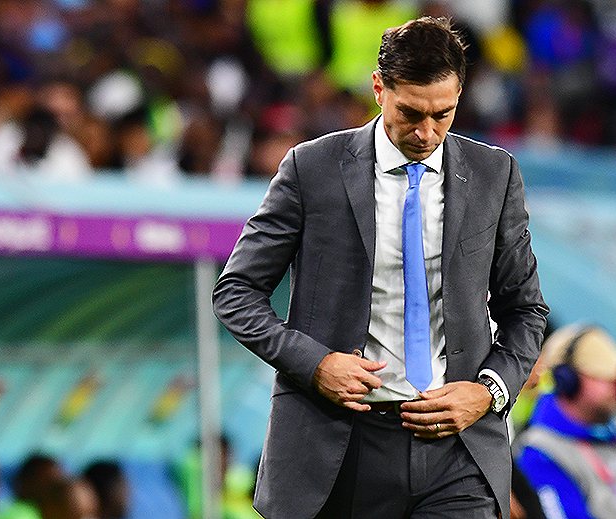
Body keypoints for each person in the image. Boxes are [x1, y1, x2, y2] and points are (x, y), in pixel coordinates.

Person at [212, 16, 549, 519]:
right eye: (410, 112)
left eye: (443, 114)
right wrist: (315, 364)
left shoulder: (493, 173)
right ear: (378, 88)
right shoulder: (312, 168)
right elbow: (236, 291)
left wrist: (488, 391)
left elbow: (525, 309)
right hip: (342, 446)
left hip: (458, 451)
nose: (426, 132)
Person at [515, 325, 616, 519]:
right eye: (602, 376)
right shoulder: (539, 453)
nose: (614, 385)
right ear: (568, 380)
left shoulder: (606, 436)